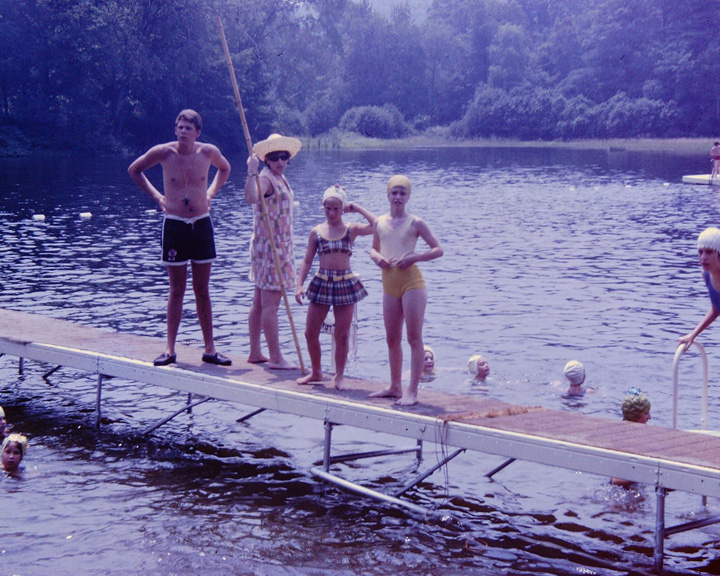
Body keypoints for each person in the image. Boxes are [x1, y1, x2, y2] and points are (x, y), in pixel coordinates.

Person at [128, 109, 232, 367]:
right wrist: (158, 197)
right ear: (175, 130)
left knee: (202, 289)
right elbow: (135, 169)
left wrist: (210, 193)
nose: (183, 131)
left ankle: (210, 349)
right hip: (175, 225)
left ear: (197, 133)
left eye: (189, 128)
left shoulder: (207, 152)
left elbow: (225, 168)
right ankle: (170, 349)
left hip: (201, 223)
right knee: (176, 289)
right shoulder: (164, 152)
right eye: (180, 127)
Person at [369, 175, 444, 405]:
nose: (398, 197)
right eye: (394, 192)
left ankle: (412, 391)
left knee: (413, 337)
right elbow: (373, 249)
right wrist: (378, 258)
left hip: (412, 284)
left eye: (403, 193)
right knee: (392, 338)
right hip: (389, 284)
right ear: (388, 195)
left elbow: (438, 249)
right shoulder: (379, 222)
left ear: (408, 196)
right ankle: (394, 386)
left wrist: (415, 257)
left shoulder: (416, 223)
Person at [295, 185, 375, 389]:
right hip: (322, 282)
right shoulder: (316, 232)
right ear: (323, 207)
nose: (331, 213)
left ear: (342, 209)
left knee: (342, 333)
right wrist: (299, 285)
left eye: (336, 209)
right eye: (328, 208)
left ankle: (339, 376)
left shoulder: (351, 229)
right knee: (310, 332)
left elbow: (376, 226)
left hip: (344, 284)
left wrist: (356, 207)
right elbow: (306, 260)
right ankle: (316, 372)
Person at [244, 133, 303, 369]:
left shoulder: (280, 178)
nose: (280, 161)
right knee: (271, 305)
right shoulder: (266, 179)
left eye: (284, 157)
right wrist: (251, 171)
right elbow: (250, 197)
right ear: (267, 159)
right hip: (270, 250)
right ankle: (276, 357)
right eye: (275, 157)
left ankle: (256, 352)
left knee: (259, 302)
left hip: (275, 247)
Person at [679, 227, 720, 351]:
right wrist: (693, 334)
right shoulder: (706, 275)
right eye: (700, 252)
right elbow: (716, 309)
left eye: (708, 252)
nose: (703, 257)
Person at [612, 388, 651, 487]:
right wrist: (650, 474)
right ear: (635, 415)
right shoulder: (624, 439)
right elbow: (616, 479)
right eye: (646, 413)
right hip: (622, 493)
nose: (650, 417)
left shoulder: (631, 434)